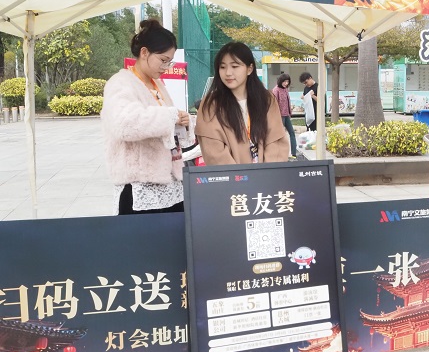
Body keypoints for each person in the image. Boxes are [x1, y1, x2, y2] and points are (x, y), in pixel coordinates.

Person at [101, 19, 191, 215]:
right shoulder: (120, 83)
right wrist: (170, 116)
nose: (166, 67)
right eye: (163, 60)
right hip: (138, 184)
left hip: (168, 182)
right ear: (144, 53)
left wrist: (181, 122)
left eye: (169, 61)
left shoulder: (157, 84)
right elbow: (124, 124)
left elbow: (163, 122)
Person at [195, 42, 289, 165]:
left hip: (266, 174)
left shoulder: (266, 99)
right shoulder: (210, 105)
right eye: (222, 67)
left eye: (234, 66)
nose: (228, 73)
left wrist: (267, 173)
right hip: (230, 176)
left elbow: (275, 142)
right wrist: (239, 175)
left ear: (249, 69)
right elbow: (214, 153)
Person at [271, 73, 298, 159]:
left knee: (292, 133)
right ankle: (279, 154)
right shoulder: (276, 90)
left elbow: (287, 102)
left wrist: (290, 112)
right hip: (279, 116)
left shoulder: (285, 89)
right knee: (280, 135)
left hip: (286, 115)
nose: (286, 83)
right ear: (280, 81)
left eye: (287, 81)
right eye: (284, 81)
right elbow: (274, 104)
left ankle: (294, 153)